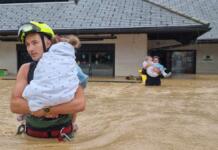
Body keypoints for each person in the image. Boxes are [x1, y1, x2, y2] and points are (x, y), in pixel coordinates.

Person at [10, 21, 86, 140]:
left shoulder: (69, 67)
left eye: (35, 42)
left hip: (62, 137)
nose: (30, 48)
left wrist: (46, 109)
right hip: (32, 136)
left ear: (48, 42)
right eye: (27, 44)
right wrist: (45, 110)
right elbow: (15, 105)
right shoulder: (26, 69)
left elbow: (80, 104)